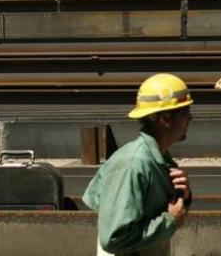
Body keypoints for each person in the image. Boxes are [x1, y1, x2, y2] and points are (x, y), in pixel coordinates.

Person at [82, 73, 194, 256]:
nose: (191, 118)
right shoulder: (132, 165)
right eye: (185, 112)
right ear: (165, 119)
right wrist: (170, 220)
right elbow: (113, 238)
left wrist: (184, 197)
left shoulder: (158, 159)